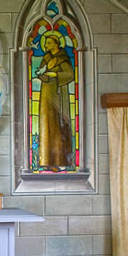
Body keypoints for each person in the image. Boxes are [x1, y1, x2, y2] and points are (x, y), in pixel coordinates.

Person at [35, 31, 75, 168]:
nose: (46, 45)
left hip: (58, 94)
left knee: (58, 125)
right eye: (45, 42)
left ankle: (60, 161)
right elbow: (42, 73)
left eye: (49, 42)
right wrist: (42, 75)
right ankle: (45, 160)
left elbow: (69, 74)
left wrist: (55, 74)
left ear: (56, 43)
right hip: (46, 93)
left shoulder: (62, 58)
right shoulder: (47, 57)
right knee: (46, 123)